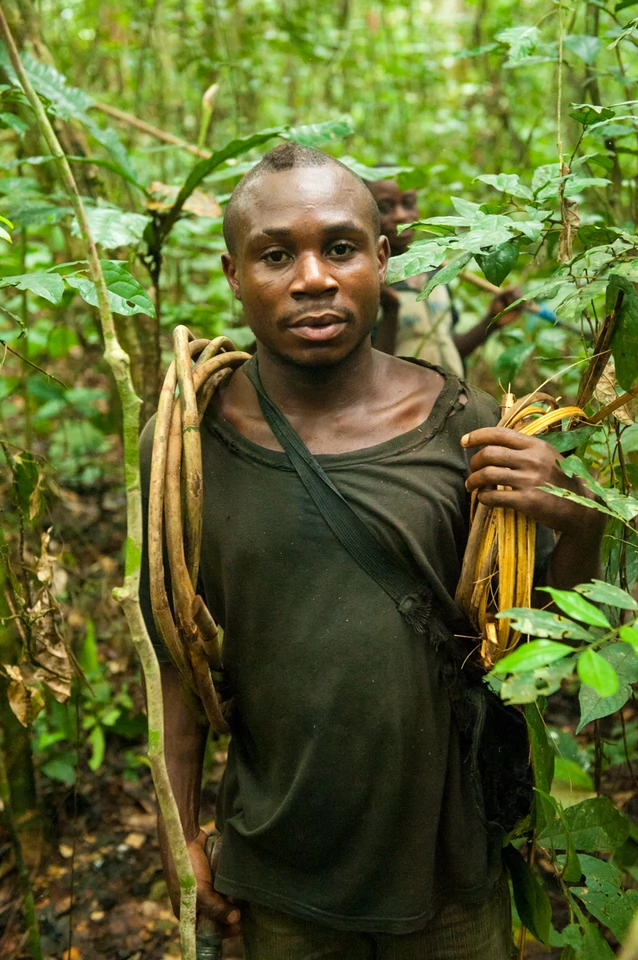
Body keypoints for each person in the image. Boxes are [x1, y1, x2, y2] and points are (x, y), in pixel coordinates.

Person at [139, 142, 605, 960]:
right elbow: (179, 661)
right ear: (231, 274)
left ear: (382, 259)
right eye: (277, 254)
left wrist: (578, 521)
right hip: (280, 872)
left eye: (341, 247)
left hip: (451, 874)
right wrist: (181, 835)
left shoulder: (467, 423)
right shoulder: (186, 443)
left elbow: (530, 653)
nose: (313, 277)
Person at [366, 177, 521, 374]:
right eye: (385, 207)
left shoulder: (435, 272)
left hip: (450, 398)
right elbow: (369, 372)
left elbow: (449, 347)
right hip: (403, 401)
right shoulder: (367, 280)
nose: (400, 215)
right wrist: (390, 309)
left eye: (408, 203)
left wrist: (492, 319)